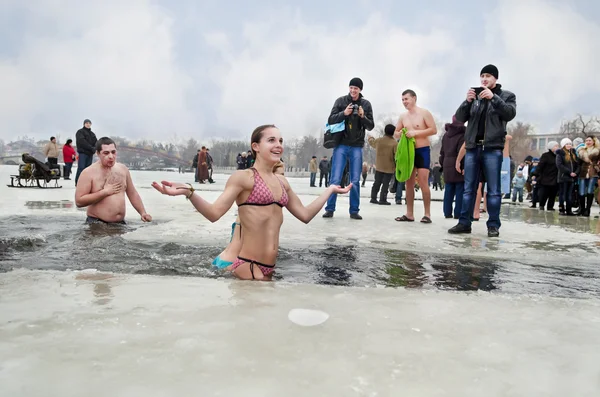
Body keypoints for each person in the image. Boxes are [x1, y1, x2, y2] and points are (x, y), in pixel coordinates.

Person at [153, 125, 351, 280]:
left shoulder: (282, 182)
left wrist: (330, 190)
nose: (278, 144)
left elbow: (305, 215)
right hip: (248, 266)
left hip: (269, 268)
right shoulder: (244, 178)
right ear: (255, 146)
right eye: (271, 140)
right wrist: (189, 192)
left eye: (280, 140)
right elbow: (214, 213)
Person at [448, 64, 516, 237]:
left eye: (488, 76)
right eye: (482, 75)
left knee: (493, 189)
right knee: (468, 189)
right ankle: (464, 222)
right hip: (473, 147)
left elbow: (509, 114)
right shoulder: (475, 97)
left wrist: (494, 98)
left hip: (492, 148)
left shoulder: (506, 96)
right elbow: (460, 118)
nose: (484, 79)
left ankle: (493, 225)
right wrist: (467, 101)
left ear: (495, 78)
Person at [212, 162, 285, 270]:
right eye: (280, 175)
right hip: (231, 263)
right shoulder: (257, 212)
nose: (282, 179)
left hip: (226, 259)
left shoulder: (253, 209)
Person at [323, 77, 374, 220]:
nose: (353, 90)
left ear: (360, 90)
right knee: (335, 177)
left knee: (355, 179)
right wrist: (344, 114)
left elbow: (370, 126)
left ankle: (354, 210)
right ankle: (330, 208)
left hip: (357, 145)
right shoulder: (340, 101)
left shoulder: (366, 104)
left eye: (356, 88)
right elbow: (330, 119)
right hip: (341, 143)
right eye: (351, 87)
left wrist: (363, 117)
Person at [75, 137, 152, 224]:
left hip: (120, 224)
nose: (111, 156)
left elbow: (132, 193)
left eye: (113, 152)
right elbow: (79, 201)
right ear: (98, 153)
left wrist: (142, 212)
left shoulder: (123, 169)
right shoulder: (88, 173)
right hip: (97, 224)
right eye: (106, 153)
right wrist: (104, 192)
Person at [393, 89, 438, 223]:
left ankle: (427, 214)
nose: (404, 102)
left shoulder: (424, 113)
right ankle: (409, 213)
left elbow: (433, 130)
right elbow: (395, 132)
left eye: (406, 99)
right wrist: (401, 134)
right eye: (402, 100)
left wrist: (415, 133)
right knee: (409, 183)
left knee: (424, 182)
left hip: (422, 150)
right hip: (409, 152)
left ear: (414, 98)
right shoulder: (403, 116)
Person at [440, 115, 465, 219]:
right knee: (460, 189)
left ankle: (447, 212)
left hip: (447, 163)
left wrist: (443, 164)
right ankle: (458, 213)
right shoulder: (463, 135)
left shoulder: (446, 135)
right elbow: (462, 151)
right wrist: (463, 166)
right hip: (457, 162)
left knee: (449, 189)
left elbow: (442, 152)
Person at [368, 124, 397, 205]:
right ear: (393, 132)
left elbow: (372, 143)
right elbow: (397, 155)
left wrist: (370, 138)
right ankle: (382, 199)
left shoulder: (379, 140)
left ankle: (373, 198)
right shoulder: (394, 143)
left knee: (377, 182)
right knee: (385, 184)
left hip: (379, 166)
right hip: (389, 168)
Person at [576, 135, 600, 217]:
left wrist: (598, 168)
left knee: (590, 191)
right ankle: (582, 209)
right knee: (581, 192)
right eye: (586, 140)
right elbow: (578, 163)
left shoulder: (597, 150)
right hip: (583, 172)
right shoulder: (581, 151)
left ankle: (587, 209)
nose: (588, 142)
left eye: (590, 140)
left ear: (593, 141)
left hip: (593, 172)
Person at [533, 141, 559, 211]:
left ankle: (550, 206)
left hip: (555, 177)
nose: (557, 147)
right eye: (555, 146)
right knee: (544, 193)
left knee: (553, 194)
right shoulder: (545, 155)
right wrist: (535, 174)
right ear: (551, 147)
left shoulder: (558, 156)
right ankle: (542, 205)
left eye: (557, 146)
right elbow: (540, 166)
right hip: (546, 177)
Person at [556, 138, 579, 216]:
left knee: (569, 195)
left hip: (572, 178)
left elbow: (578, 164)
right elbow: (559, 165)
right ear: (563, 145)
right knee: (562, 194)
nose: (569, 145)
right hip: (563, 177)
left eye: (570, 144)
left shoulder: (573, 154)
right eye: (567, 144)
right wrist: (569, 172)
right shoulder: (560, 154)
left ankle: (569, 210)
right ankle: (561, 209)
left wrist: (575, 173)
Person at [75, 119, 98, 185]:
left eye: (89, 123)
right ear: (84, 124)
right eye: (86, 123)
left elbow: (96, 142)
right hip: (83, 153)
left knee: (88, 169)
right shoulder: (80, 132)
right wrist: (91, 148)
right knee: (81, 168)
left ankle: (86, 182)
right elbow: (82, 142)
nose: (88, 124)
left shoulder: (92, 134)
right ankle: (78, 182)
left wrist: (95, 148)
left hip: (90, 153)